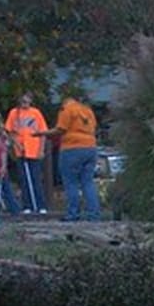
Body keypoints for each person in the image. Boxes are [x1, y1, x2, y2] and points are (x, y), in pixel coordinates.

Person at [45, 89, 101, 222]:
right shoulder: (87, 111)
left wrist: (42, 133)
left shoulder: (67, 109)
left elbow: (61, 129)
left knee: (71, 182)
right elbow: (93, 128)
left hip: (72, 148)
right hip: (90, 147)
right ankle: (94, 214)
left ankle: (73, 214)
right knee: (88, 182)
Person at [5, 92, 50, 214]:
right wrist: (17, 144)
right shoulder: (14, 113)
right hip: (20, 151)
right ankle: (27, 205)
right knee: (24, 179)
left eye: (27, 101)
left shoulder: (36, 113)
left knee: (36, 178)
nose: (25, 103)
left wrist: (41, 150)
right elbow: (10, 132)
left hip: (34, 150)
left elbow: (43, 133)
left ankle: (40, 205)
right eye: (23, 101)